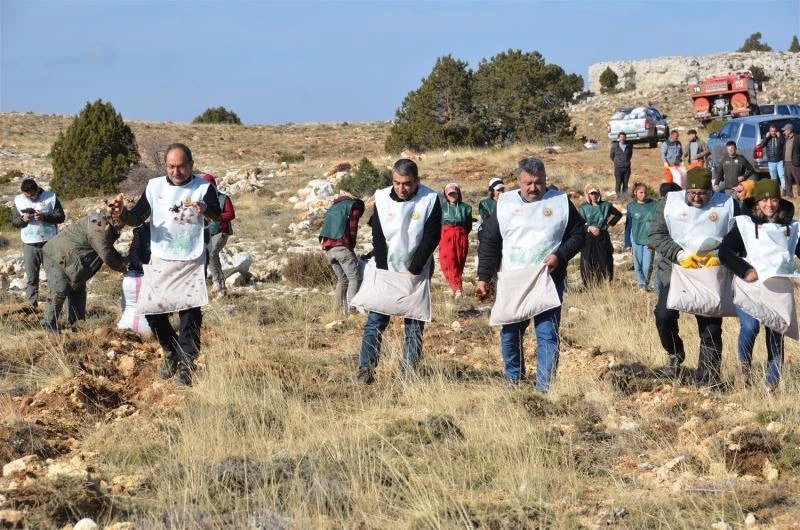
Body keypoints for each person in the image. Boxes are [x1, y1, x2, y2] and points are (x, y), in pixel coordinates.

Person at [110, 143, 221, 386]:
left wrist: (204, 209)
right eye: (171, 166)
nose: (176, 171)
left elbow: (217, 214)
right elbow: (137, 217)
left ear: (190, 165)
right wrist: (122, 213)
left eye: (181, 166)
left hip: (192, 257)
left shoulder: (204, 188)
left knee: (190, 312)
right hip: (161, 256)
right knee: (152, 310)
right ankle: (171, 351)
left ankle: (187, 364)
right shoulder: (154, 186)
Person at [475, 157, 585, 392]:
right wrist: (484, 277)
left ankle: (544, 388)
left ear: (545, 180)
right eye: (528, 183)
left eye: (539, 182)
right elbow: (489, 242)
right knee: (510, 334)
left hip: (548, 279)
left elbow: (578, 234)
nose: (534, 188)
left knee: (547, 334)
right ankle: (513, 380)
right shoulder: (504, 204)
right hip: (513, 281)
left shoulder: (561, 201)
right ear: (518, 182)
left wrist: (560, 255)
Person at [351, 159, 441, 384]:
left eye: (407, 183)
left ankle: (408, 372)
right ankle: (366, 369)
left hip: (416, 271)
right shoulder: (381, 198)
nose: (401, 188)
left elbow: (431, 238)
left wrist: (414, 269)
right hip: (386, 269)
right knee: (375, 320)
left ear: (417, 181)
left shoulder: (430, 200)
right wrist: (383, 269)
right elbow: (378, 235)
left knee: (413, 324)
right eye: (397, 183)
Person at [648, 167, 738, 386]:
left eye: (702, 194)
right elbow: (654, 235)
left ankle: (708, 378)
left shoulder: (727, 204)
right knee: (664, 315)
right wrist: (678, 254)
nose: (696, 198)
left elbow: (738, 235)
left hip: (710, 273)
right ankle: (674, 352)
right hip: (676, 270)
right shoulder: (670, 203)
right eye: (692, 193)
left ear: (711, 191)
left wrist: (719, 255)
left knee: (710, 327)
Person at [719, 179, 800, 392]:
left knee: (776, 334)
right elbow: (724, 252)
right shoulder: (744, 224)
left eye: (774, 200)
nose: (769, 204)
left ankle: (770, 385)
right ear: (757, 202)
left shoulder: (792, 228)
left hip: (778, 290)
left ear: (780, 202)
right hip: (750, 286)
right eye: (764, 200)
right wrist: (745, 270)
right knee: (750, 327)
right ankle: (743, 367)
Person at [40, 208, 128, 333]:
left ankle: (77, 324)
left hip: (73, 262)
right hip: (57, 255)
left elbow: (107, 247)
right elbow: (104, 252)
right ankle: (48, 324)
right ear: (116, 218)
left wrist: (122, 259)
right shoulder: (97, 224)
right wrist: (122, 268)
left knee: (78, 290)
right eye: (124, 221)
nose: (124, 225)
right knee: (60, 288)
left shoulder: (107, 225)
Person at [11, 178, 65, 307]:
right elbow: (15, 222)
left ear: (37, 190)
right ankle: (31, 307)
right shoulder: (18, 200)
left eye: (32, 195)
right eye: (27, 196)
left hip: (50, 243)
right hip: (29, 244)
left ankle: (53, 307)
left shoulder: (51, 197)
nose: (30, 198)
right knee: (31, 279)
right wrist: (23, 219)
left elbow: (61, 217)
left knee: (53, 277)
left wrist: (44, 217)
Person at [319, 192, 365, 316]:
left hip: (329, 250)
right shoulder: (353, 206)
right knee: (354, 279)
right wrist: (352, 246)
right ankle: (353, 311)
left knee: (342, 280)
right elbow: (353, 229)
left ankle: (336, 312)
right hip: (342, 248)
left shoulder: (333, 208)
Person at [578, 183, 622, 286]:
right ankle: (588, 283)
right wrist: (589, 228)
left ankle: (603, 282)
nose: (594, 196)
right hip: (588, 237)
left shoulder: (606, 205)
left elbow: (618, 214)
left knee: (603, 258)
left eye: (596, 193)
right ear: (588, 195)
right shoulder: (583, 207)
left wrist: (609, 224)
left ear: (599, 194)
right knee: (587, 259)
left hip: (602, 236)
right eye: (591, 194)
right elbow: (579, 223)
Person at [202, 174, 237, 300]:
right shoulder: (202, 200)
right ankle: (213, 284)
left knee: (211, 253)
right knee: (205, 256)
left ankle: (221, 288)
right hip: (206, 233)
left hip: (221, 231)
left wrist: (216, 217)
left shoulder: (223, 198)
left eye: (210, 186)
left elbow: (231, 214)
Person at [439, 182, 472, 298]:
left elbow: (468, 226)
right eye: (450, 193)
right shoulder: (441, 208)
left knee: (458, 262)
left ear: (458, 193)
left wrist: (460, 234)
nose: (452, 195)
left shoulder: (466, 208)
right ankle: (456, 286)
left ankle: (456, 288)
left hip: (460, 237)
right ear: (446, 195)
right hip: (445, 237)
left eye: (454, 193)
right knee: (446, 262)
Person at [624, 182, 658, 291]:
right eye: (641, 192)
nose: (643, 195)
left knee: (647, 265)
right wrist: (628, 243)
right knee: (637, 264)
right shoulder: (631, 206)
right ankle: (642, 285)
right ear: (635, 193)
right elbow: (628, 226)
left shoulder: (654, 204)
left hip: (650, 240)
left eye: (645, 192)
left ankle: (646, 282)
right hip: (635, 238)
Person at [759, 124, 786, 192]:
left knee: (782, 175)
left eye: (774, 131)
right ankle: (775, 189)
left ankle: (784, 189)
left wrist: (780, 137)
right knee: (773, 177)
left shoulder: (779, 137)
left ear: (776, 131)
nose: (773, 133)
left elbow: (784, 144)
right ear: (769, 131)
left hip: (780, 160)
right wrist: (766, 138)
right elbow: (761, 146)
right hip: (771, 161)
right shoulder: (767, 138)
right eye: (772, 131)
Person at [610, 132, 633, 198]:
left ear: (625, 138)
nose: (622, 138)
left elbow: (630, 155)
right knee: (618, 182)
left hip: (627, 168)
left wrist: (627, 162)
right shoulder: (615, 146)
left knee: (625, 184)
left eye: (623, 137)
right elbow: (612, 155)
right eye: (621, 137)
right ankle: (618, 197)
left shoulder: (629, 146)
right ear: (618, 138)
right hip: (618, 168)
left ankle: (624, 197)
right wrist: (617, 162)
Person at [784, 123, 800, 198]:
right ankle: (789, 194)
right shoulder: (786, 139)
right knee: (787, 179)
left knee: (798, 179)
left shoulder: (797, 138)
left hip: (795, 162)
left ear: (789, 130)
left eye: (785, 130)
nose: (784, 132)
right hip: (786, 162)